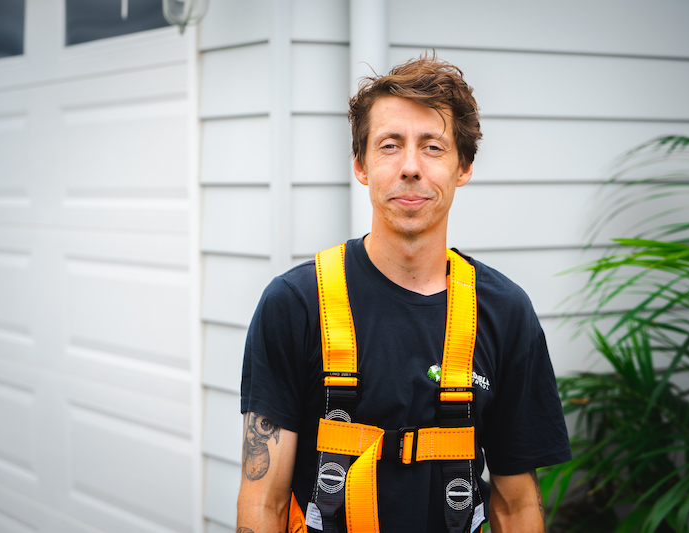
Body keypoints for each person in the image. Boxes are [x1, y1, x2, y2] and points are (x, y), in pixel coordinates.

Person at [238, 54, 571, 533]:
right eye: (390, 145)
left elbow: (516, 506)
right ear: (361, 164)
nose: (410, 167)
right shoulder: (295, 304)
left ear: (464, 166)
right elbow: (262, 503)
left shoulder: (504, 311)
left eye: (433, 147)